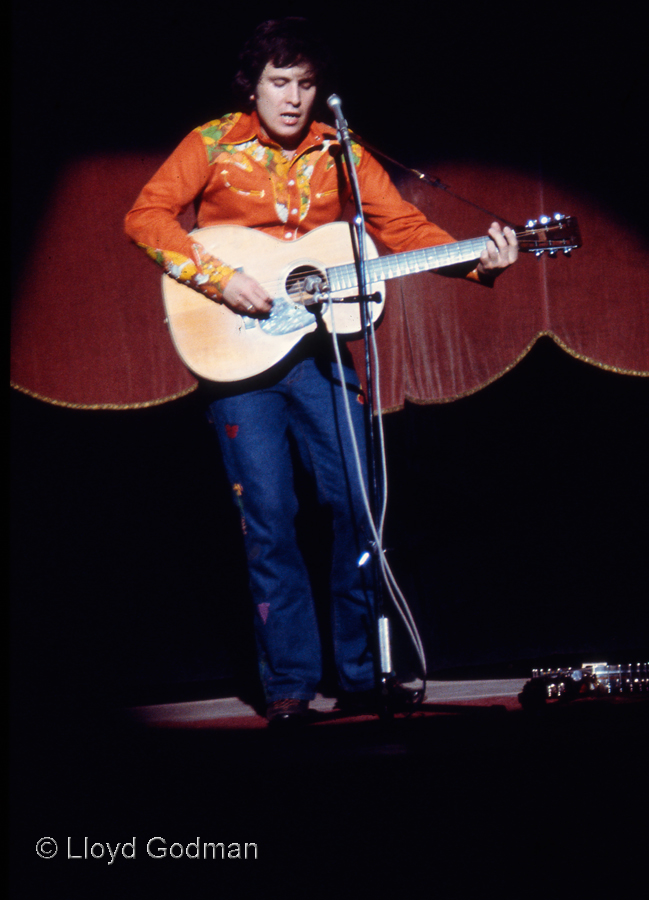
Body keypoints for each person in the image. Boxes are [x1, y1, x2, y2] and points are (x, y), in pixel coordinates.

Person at [124, 18, 518, 727]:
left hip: (321, 354)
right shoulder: (213, 142)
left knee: (356, 508)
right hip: (238, 357)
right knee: (269, 519)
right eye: (280, 83)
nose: (293, 98)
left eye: (305, 84)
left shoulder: (341, 151)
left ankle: (362, 675)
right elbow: (146, 216)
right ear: (254, 85)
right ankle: (290, 686)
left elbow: (401, 229)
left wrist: (473, 258)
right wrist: (219, 278)